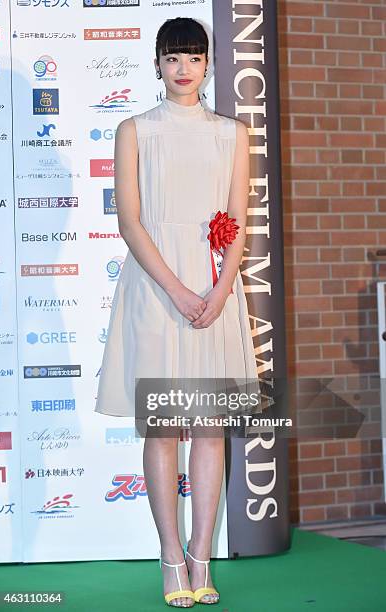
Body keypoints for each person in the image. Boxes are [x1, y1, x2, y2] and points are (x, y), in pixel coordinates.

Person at [94, 16, 260, 608]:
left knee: (210, 431)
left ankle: (201, 559)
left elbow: (237, 220)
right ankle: (170, 562)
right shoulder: (133, 130)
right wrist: (177, 291)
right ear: (158, 65)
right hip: (156, 290)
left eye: (194, 57)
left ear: (208, 63)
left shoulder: (232, 134)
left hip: (217, 291)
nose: (184, 68)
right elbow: (130, 221)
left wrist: (218, 290)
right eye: (173, 58)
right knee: (164, 427)